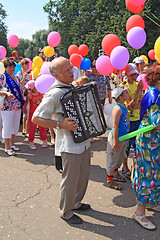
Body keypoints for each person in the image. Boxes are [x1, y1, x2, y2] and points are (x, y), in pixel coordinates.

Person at [32, 57, 91, 224]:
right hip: (69, 145)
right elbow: (36, 118)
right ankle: (66, 211)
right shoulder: (54, 93)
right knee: (70, 180)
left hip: (83, 141)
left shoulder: (70, 87)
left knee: (83, 176)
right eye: (67, 70)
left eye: (71, 68)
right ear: (56, 75)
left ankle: (76, 203)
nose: (72, 71)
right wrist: (60, 124)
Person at [132, 62, 160, 230]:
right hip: (149, 144)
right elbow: (157, 122)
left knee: (153, 174)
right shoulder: (155, 96)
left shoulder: (153, 93)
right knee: (147, 176)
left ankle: (151, 202)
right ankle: (139, 213)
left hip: (151, 142)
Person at [121, 63, 143, 179]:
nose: (134, 76)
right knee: (126, 145)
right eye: (132, 74)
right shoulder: (123, 86)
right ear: (126, 74)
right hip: (127, 120)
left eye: (135, 74)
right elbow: (129, 105)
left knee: (137, 144)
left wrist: (136, 104)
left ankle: (136, 167)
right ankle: (124, 167)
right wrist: (138, 91)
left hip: (137, 119)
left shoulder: (137, 84)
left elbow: (141, 102)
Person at [106, 87, 130, 190]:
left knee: (119, 158)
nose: (127, 93)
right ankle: (110, 180)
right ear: (121, 97)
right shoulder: (117, 109)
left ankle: (115, 174)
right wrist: (115, 142)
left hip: (123, 137)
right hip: (117, 138)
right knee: (112, 159)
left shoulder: (123, 105)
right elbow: (115, 126)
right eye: (125, 92)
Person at [0, 58, 25, 156]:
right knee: (7, 126)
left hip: (17, 106)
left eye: (13, 67)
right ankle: (7, 147)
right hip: (6, 107)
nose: (12, 69)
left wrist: (23, 102)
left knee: (15, 126)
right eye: (10, 67)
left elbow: (20, 90)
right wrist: (6, 93)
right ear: (5, 68)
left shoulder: (17, 78)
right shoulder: (2, 77)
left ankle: (11, 144)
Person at [23, 80, 48, 150]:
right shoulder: (29, 95)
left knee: (42, 126)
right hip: (32, 113)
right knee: (32, 128)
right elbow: (26, 104)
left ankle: (44, 140)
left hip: (40, 113)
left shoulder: (40, 94)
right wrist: (24, 109)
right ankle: (31, 142)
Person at [17, 58, 30, 137]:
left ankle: (25, 130)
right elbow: (19, 84)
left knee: (26, 113)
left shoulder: (28, 74)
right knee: (23, 112)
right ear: (22, 65)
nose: (27, 66)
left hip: (26, 94)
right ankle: (24, 129)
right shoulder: (19, 73)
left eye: (28, 65)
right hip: (21, 95)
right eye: (26, 64)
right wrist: (24, 78)